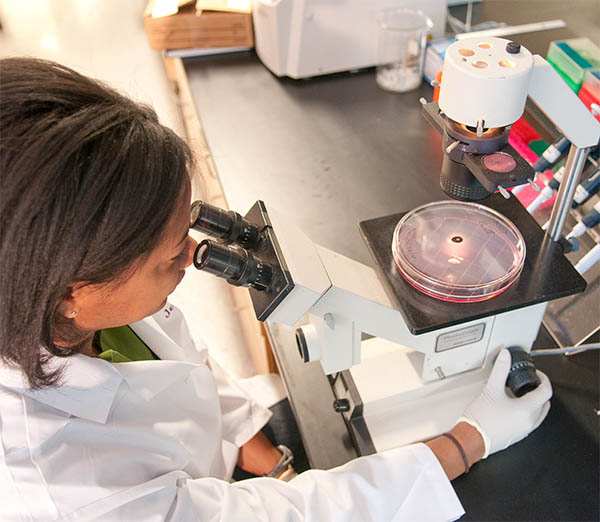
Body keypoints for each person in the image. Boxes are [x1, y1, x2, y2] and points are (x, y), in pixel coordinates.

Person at [0, 57, 552, 522]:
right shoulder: (60, 483)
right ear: (72, 289)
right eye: (170, 257)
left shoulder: (61, 305)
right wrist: (464, 442)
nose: (191, 260)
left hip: (220, 459)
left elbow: (184, 368)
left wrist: (262, 452)